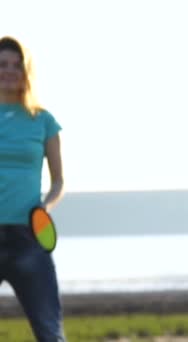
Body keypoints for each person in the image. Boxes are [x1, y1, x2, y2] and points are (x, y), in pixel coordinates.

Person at [0, 36, 66, 341]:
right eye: (3, 64)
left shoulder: (43, 121)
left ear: (27, 72)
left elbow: (58, 182)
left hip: (29, 236)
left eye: (17, 65)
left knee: (50, 333)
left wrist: (45, 207)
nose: (10, 71)